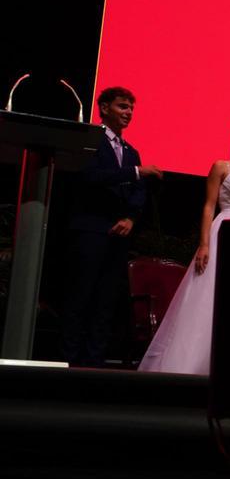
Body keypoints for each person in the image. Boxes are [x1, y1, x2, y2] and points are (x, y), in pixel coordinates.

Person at [139, 122, 230, 374]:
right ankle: (196, 364)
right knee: (209, 298)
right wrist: (204, 243)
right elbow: (209, 206)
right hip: (226, 233)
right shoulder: (222, 167)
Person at [62, 86, 162, 367]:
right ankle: (70, 361)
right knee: (80, 295)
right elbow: (89, 176)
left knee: (106, 301)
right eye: (122, 106)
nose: (128, 113)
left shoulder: (131, 151)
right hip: (90, 229)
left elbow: (139, 191)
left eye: (130, 108)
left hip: (119, 234)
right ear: (104, 108)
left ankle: (94, 362)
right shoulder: (89, 141)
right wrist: (134, 173)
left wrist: (130, 217)